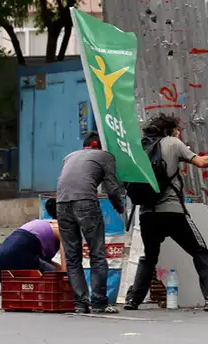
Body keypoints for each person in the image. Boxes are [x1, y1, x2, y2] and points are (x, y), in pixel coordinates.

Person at [124, 113, 208, 312]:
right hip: (173, 212)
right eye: (178, 129)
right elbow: (201, 162)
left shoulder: (139, 148)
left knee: (149, 257)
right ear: (169, 129)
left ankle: (133, 299)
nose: (180, 133)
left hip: (147, 213)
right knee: (200, 251)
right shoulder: (172, 143)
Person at [56, 132, 124, 314]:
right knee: (97, 254)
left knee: (72, 257)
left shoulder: (69, 156)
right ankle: (99, 302)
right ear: (100, 146)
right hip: (85, 202)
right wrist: (119, 207)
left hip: (61, 203)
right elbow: (112, 188)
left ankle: (80, 303)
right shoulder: (105, 156)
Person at [0, 198, 65, 282]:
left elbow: (48, 263)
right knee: (55, 279)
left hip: (4, 253)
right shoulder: (61, 229)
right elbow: (65, 268)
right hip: (20, 253)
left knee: (12, 287)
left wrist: (59, 269)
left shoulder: (44, 224)